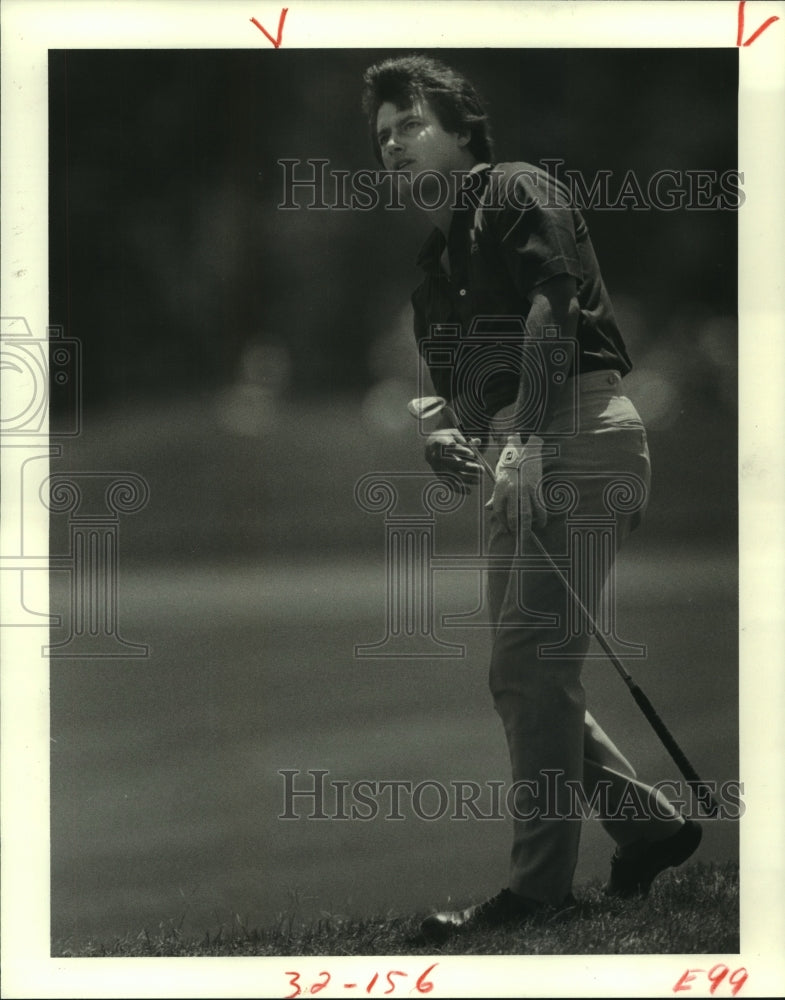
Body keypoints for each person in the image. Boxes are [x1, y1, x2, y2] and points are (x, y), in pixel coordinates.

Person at [360, 55, 702, 942]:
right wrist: (446, 434)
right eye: (383, 135)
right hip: (521, 450)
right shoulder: (434, 263)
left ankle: (537, 892)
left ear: (462, 128)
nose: (394, 145)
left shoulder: (515, 188)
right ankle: (649, 830)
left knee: (528, 667)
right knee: (525, 676)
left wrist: (520, 437)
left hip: (579, 435)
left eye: (410, 125)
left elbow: (553, 313)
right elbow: (458, 396)